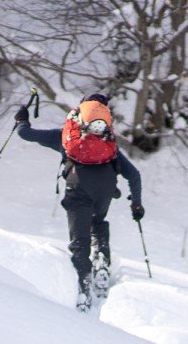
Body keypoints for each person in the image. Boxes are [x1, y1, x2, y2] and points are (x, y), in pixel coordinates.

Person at [15, 93, 143, 310]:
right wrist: (136, 204)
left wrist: (22, 120)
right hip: (105, 187)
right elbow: (134, 174)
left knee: (79, 242)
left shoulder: (66, 135)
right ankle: (102, 260)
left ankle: (84, 289)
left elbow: (26, 134)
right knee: (97, 221)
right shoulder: (109, 142)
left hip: (78, 185)